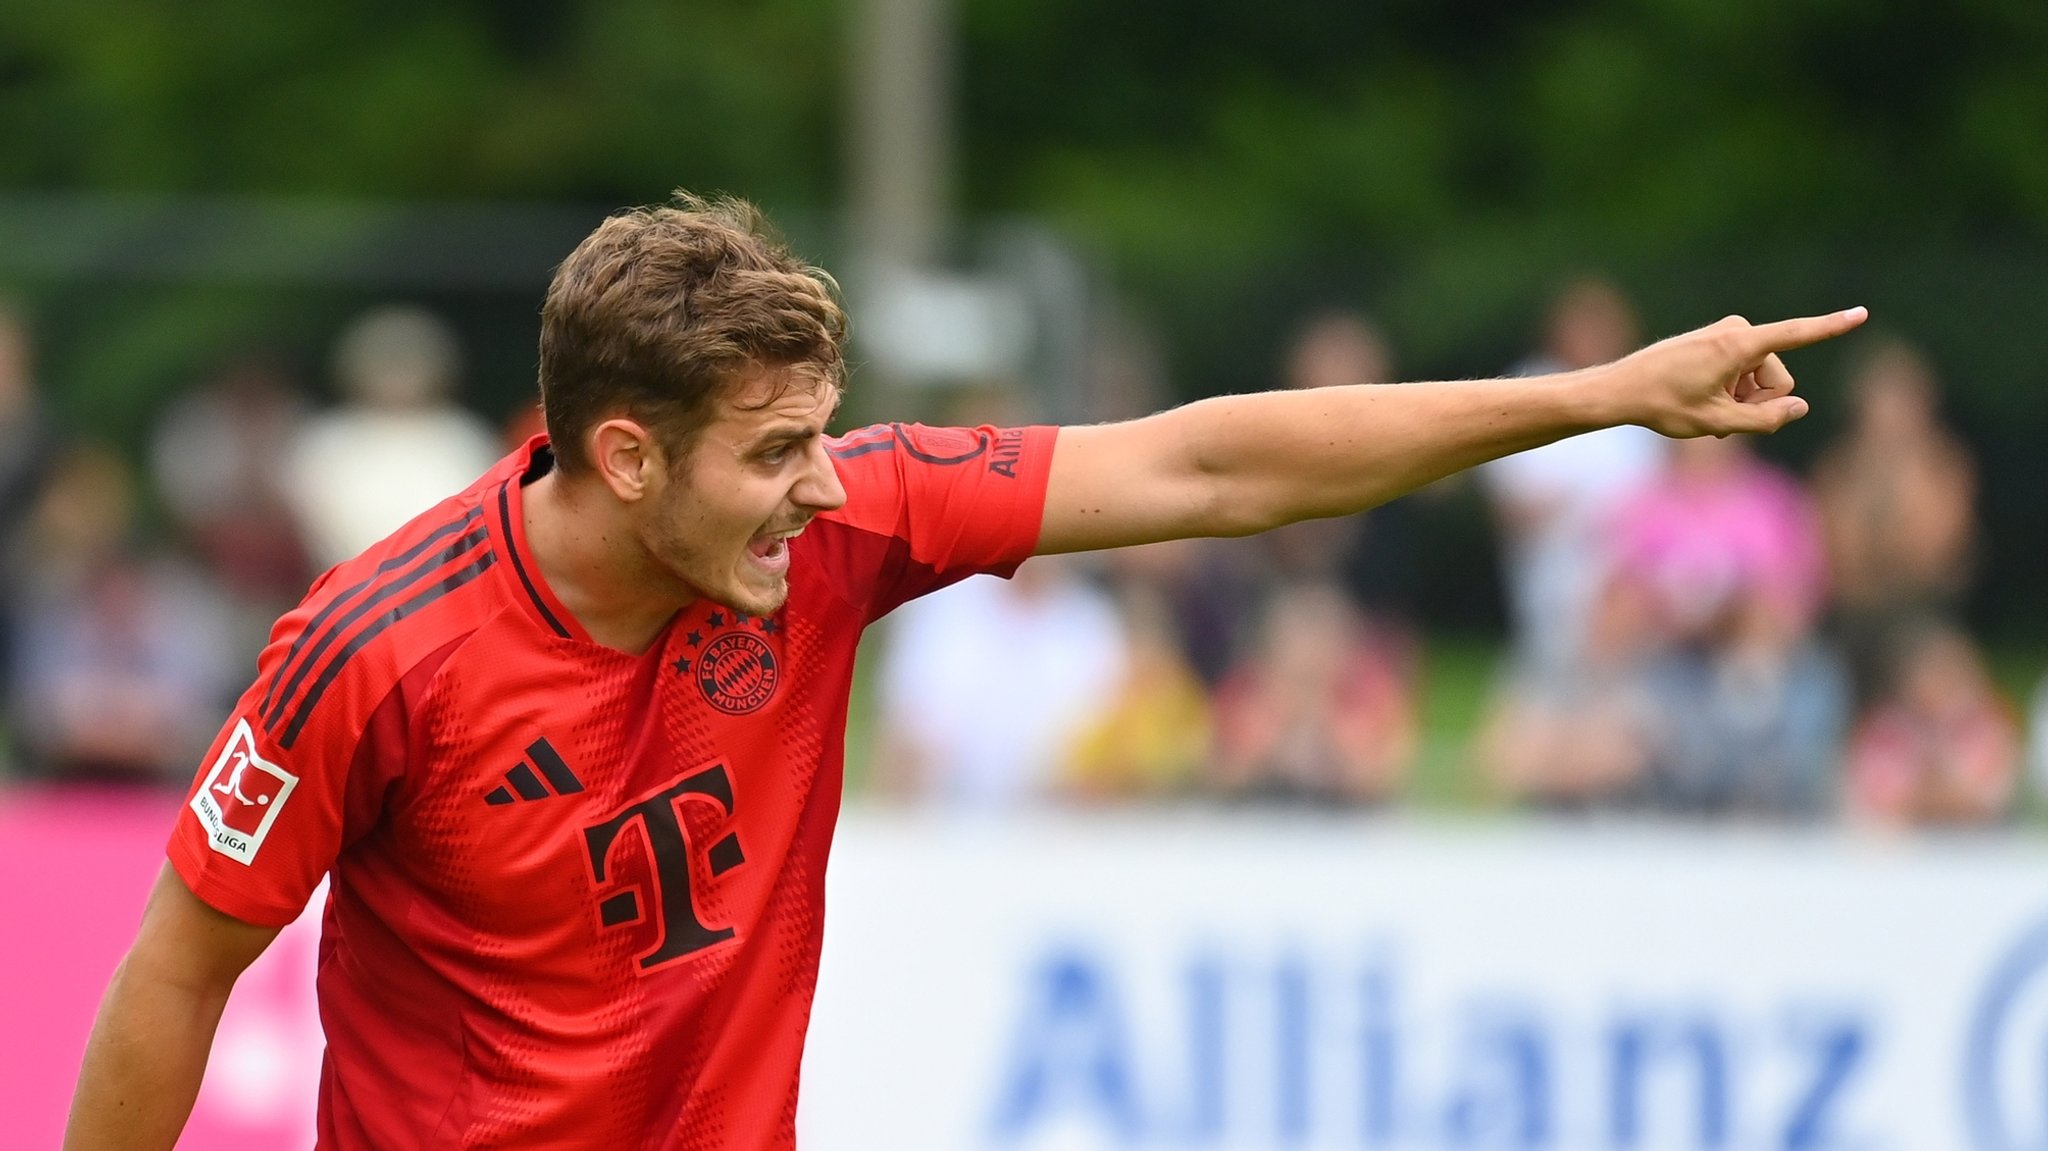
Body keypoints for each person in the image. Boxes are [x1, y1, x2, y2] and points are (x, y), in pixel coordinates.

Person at [64, 192, 1865, 1150]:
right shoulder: (371, 655)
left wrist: (1595, 396)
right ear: (625, 458)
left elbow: (1207, 466)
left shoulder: (833, 534)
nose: (828, 488)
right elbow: (176, 971)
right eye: (776, 451)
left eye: (826, 434)